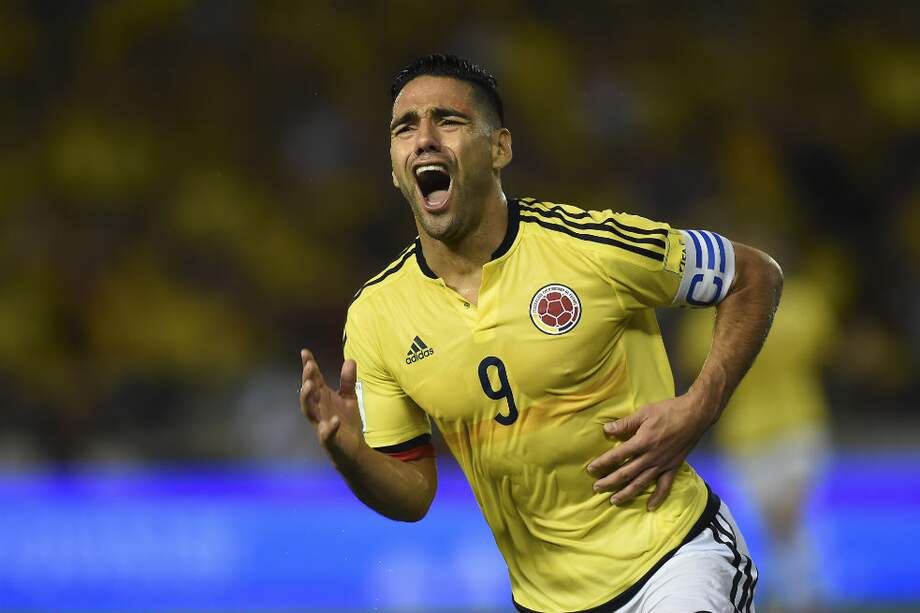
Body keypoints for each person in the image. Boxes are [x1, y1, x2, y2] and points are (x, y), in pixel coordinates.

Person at [298, 54, 783, 613]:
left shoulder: (592, 248)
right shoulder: (376, 316)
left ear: (499, 148)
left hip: (674, 560)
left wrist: (699, 407)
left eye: (447, 121)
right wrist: (350, 453)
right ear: (393, 165)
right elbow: (413, 495)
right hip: (544, 601)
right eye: (405, 127)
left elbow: (754, 275)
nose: (424, 138)